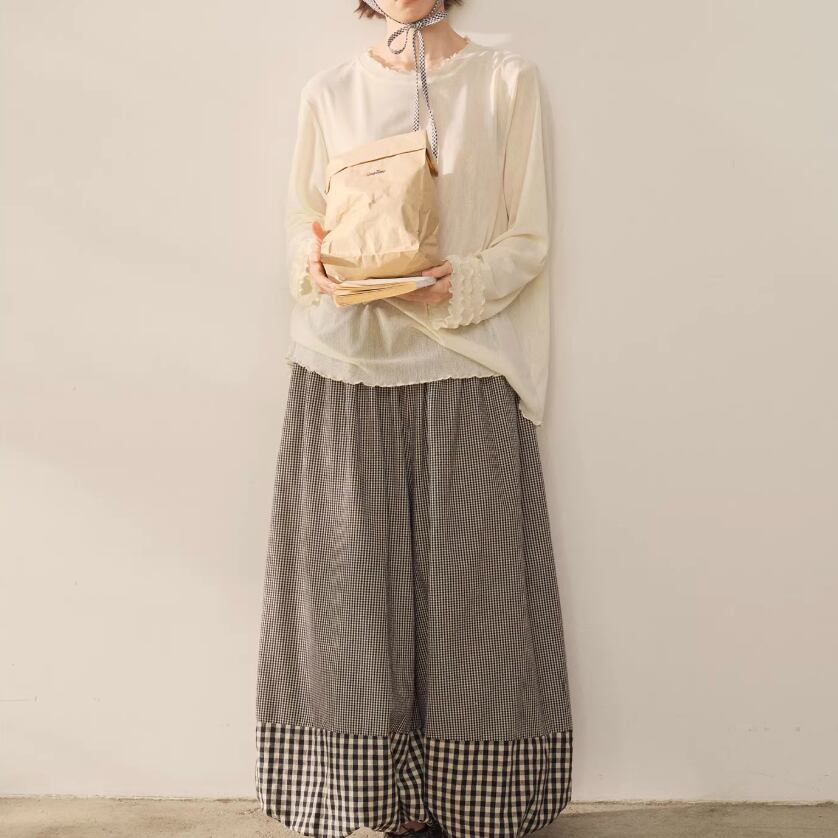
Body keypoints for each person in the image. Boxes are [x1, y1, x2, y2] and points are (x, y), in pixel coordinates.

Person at [255, 2, 573, 837]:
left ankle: (473, 802)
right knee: (346, 603)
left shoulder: (506, 83)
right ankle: (360, 797)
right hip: (344, 369)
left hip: (466, 367)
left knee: (478, 602)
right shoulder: (330, 91)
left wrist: (459, 281)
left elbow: (529, 238)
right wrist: (317, 260)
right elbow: (299, 225)